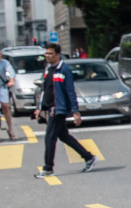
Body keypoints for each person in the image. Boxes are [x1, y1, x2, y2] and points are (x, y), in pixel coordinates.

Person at [34, 42, 96, 178]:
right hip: (51, 107)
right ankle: (88, 157)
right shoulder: (48, 69)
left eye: (50, 54)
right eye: (46, 53)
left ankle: (48, 168)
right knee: (64, 136)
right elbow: (46, 90)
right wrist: (40, 108)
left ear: (57, 55)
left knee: (50, 138)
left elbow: (70, 91)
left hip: (58, 109)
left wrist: (75, 111)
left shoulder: (64, 70)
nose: (47, 56)